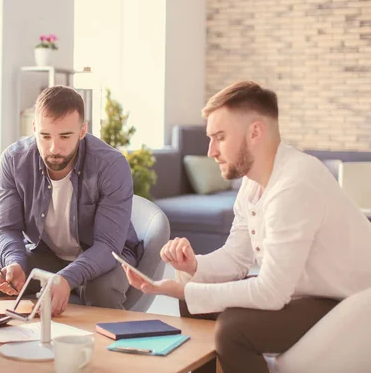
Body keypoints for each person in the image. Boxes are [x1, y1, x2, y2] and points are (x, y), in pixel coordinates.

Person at [122, 81, 371, 373]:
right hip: (300, 291)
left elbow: (271, 292)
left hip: (345, 301)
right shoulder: (252, 183)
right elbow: (237, 257)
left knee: (233, 330)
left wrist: (179, 290)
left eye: (220, 137)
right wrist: (193, 267)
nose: (211, 150)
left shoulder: (294, 185)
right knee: (196, 296)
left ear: (255, 132)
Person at [0, 85, 144, 315]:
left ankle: (100, 350)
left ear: (83, 131)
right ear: (34, 128)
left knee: (100, 290)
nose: (54, 148)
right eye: (45, 136)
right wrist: (14, 262)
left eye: (65, 136)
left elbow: (107, 245)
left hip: (108, 256)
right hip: (48, 254)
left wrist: (66, 278)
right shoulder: (13, 161)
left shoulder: (111, 166)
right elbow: (6, 228)